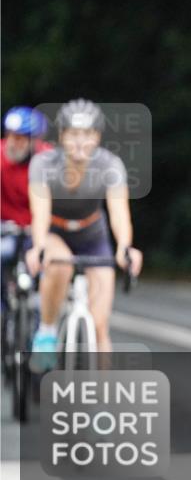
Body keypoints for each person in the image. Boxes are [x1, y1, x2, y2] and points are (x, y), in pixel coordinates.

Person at [25, 99, 143, 370]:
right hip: (56, 232)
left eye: (88, 134)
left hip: (93, 236)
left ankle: (101, 400)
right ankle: (46, 330)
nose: (80, 141)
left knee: (100, 325)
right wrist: (39, 247)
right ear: (62, 136)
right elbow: (40, 213)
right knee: (60, 264)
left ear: (97, 137)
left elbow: (118, 213)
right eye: (74, 134)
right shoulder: (43, 164)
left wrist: (126, 247)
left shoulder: (110, 165)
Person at [1, 107, 53, 344]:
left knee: (48, 266)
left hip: (38, 230)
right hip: (6, 227)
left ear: (34, 141)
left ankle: (44, 326)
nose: (14, 143)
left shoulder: (48, 160)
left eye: (21, 138)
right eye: (11, 136)